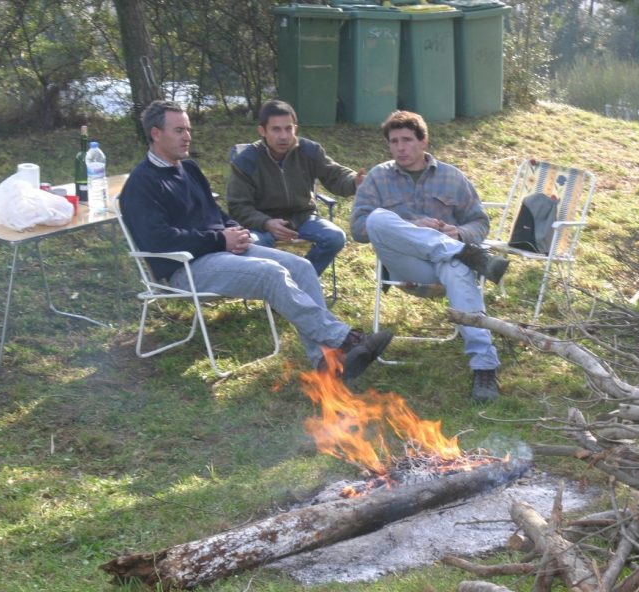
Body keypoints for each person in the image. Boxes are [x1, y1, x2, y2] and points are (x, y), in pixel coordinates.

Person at [119, 100, 392, 379]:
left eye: (188, 129)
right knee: (271, 273)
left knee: (302, 268)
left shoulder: (188, 169)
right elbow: (158, 240)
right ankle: (345, 339)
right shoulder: (142, 183)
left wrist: (236, 231)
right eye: (179, 130)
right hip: (185, 267)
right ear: (156, 134)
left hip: (221, 252)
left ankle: (326, 362)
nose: (188, 136)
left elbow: (216, 214)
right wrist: (219, 239)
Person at [351, 110, 508, 403]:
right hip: (402, 263)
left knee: (458, 269)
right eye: (394, 141)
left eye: (407, 140)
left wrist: (458, 233)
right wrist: (410, 227)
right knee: (376, 220)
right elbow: (359, 229)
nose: (400, 147)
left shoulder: (452, 177)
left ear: (424, 141)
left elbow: (480, 223)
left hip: (442, 266)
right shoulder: (377, 177)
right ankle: (465, 254)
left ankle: (484, 367)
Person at [227, 99, 364, 279]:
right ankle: (276, 286)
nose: (284, 136)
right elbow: (238, 206)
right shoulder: (246, 160)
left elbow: (335, 174)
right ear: (262, 131)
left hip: (303, 218)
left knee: (335, 237)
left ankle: (299, 283)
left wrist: (355, 181)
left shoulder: (309, 150)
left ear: (295, 129)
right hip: (263, 225)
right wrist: (266, 222)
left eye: (288, 128)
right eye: (276, 129)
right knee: (250, 245)